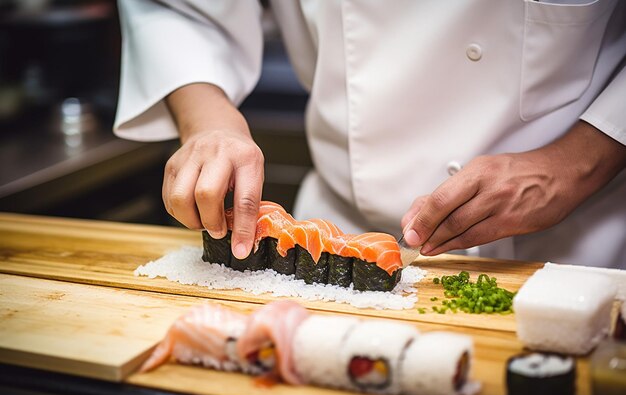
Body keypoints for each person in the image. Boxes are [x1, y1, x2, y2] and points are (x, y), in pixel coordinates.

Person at [114, 1, 626, 268]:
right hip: (338, 228)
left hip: (576, 247)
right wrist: (210, 121)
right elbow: (181, 10)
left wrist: (580, 160)